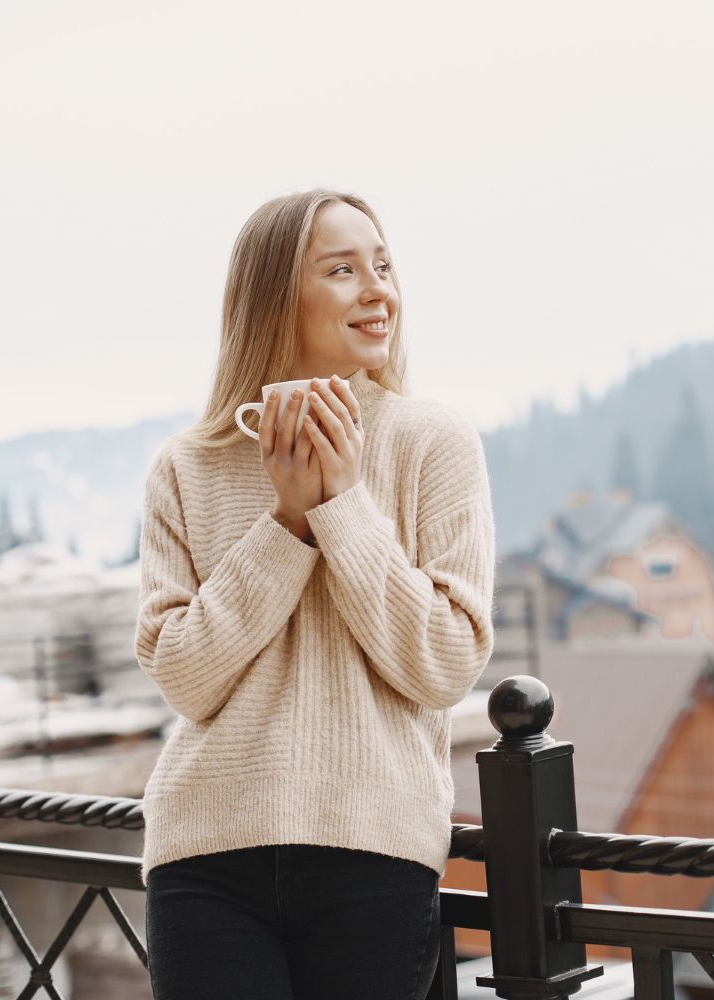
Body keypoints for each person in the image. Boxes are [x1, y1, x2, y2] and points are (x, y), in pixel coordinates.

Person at [134, 188, 497, 999]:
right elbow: (186, 677)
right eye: (342, 269)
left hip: (373, 848)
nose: (378, 290)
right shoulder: (185, 466)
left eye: (383, 264)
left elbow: (443, 662)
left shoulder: (430, 440)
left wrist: (337, 504)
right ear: (275, 299)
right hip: (206, 853)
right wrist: (288, 522)